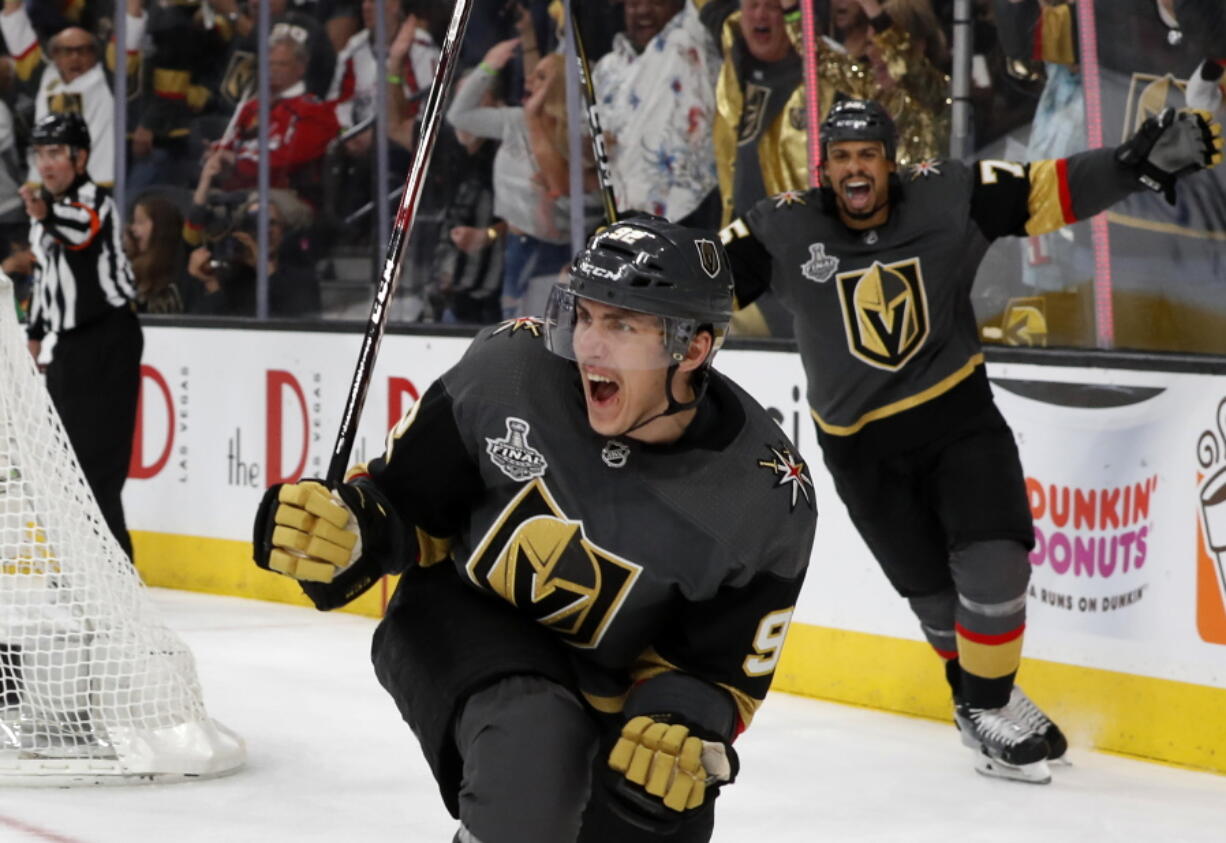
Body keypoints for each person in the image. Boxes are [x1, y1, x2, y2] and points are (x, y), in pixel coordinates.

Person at [251, 216, 817, 842]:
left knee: (660, 808)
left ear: (693, 348)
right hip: (462, 616)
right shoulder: (511, 370)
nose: (590, 346)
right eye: (585, 315)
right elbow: (402, 502)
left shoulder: (763, 495)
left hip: (612, 680)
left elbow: (716, 671)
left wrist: (676, 723)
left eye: (623, 325)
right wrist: (352, 528)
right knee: (534, 749)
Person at [718, 98, 1223, 783]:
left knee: (998, 561)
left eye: (868, 153)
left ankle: (982, 704)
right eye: (841, 157)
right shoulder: (782, 226)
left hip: (955, 412)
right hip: (861, 449)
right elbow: (706, 277)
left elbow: (1050, 190)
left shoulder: (947, 196)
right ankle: (987, 698)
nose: (855, 168)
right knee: (935, 600)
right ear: (825, 167)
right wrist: (641, 268)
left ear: (889, 161)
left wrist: (1131, 165)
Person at [21, 113, 142, 562]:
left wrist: (44, 212)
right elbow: (46, 277)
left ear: (81, 157)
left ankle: (117, 581)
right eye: (40, 154)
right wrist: (34, 336)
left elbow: (79, 229)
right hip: (68, 347)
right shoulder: (44, 214)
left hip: (108, 341)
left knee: (97, 471)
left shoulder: (95, 201)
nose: (46, 164)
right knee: (64, 466)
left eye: (54, 153)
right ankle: (81, 573)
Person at [590, 0, 722, 227]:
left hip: (696, 211)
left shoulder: (690, 36)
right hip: (631, 222)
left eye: (657, 2)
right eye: (633, 4)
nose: (643, 11)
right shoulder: (606, 70)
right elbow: (584, 156)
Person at [124, 194, 187, 314]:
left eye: (140, 222)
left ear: (160, 227)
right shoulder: (127, 268)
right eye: (134, 222)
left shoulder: (171, 284)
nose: (133, 228)